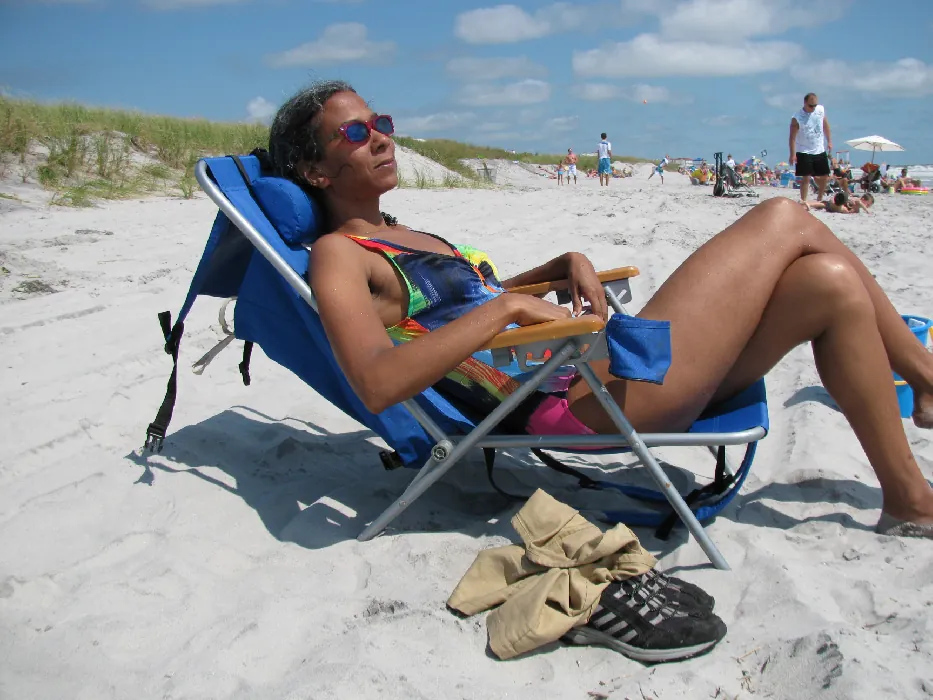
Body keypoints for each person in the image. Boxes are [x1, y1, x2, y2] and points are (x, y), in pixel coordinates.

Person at [269, 82, 933, 562]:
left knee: (827, 282)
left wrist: (560, 265)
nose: (380, 135)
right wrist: (508, 306)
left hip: (595, 368)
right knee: (783, 218)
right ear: (313, 172)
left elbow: (473, 302)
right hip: (584, 399)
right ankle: (926, 378)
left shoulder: (401, 231)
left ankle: (907, 499)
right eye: (353, 133)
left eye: (377, 119)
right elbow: (378, 382)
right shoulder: (338, 256)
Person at [789, 93, 833, 203]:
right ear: (805, 103)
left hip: (819, 148)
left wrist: (829, 141)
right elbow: (792, 138)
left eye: (814, 105)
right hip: (803, 150)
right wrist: (792, 154)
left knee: (824, 177)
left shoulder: (820, 110)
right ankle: (803, 200)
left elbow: (825, 125)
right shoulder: (797, 118)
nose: (813, 108)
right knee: (806, 178)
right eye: (810, 106)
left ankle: (820, 197)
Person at [802, 191, 874, 215]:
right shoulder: (858, 201)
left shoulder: (857, 208)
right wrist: (867, 211)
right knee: (823, 204)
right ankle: (806, 203)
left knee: (822, 204)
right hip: (838, 203)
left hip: (836, 205)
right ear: (863, 199)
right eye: (867, 204)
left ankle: (805, 203)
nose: (867, 206)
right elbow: (859, 203)